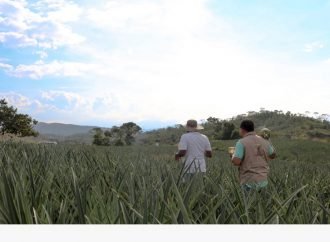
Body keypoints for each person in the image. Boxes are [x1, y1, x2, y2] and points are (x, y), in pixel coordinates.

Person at [231, 120, 276, 191]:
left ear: (242, 129)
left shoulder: (241, 142)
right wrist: (269, 141)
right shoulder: (264, 141)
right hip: (263, 181)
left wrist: (233, 155)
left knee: (247, 201)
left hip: (248, 182)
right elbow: (273, 155)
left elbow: (236, 162)